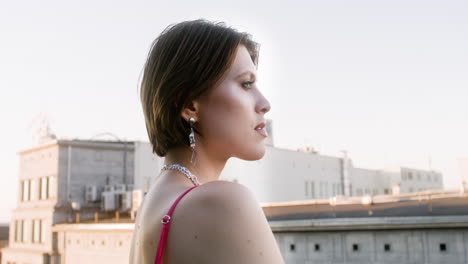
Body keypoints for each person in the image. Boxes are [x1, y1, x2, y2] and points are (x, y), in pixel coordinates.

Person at [129, 19, 285, 264]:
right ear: (190, 105)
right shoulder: (222, 203)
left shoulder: (153, 203)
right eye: (246, 84)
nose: (265, 103)